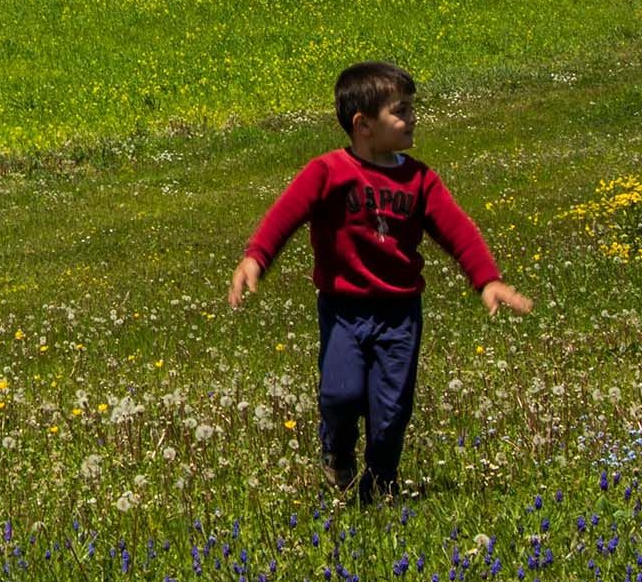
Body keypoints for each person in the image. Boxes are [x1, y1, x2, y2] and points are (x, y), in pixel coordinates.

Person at [227, 60, 531, 502]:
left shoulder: (420, 179)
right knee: (340, 393)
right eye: (400, 111)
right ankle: (337, 452)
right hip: (343, 310)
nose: (411, 118)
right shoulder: (327, 172)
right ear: (363, 125)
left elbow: (456, 229)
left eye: (410, 108)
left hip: (399, 313)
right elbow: (285, 214)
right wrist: (256, 257)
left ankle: (381, 481)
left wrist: (487, 280)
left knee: (391, 411)